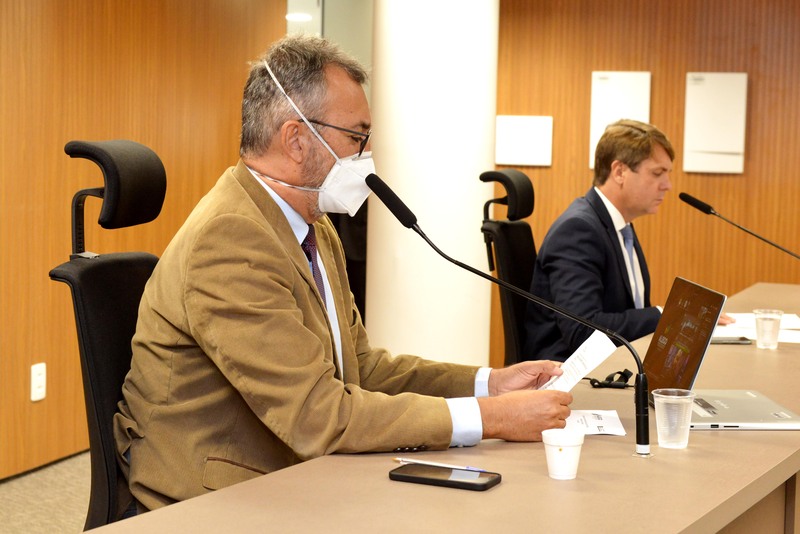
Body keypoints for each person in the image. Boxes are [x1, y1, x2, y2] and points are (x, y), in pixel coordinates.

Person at [113, 35, 572, 512]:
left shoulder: (312, 226)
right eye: (356, 137)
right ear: (296, 139)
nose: (365, 154)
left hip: (290, 463)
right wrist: (491, 417)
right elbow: (316, 416)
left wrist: (488, 384)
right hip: (212, 495)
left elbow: (362, 368)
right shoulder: (229, 238)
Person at [521, 119, 673, 361]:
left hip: (613, 365)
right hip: (570, 373)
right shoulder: (578, 229)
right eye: (657, 173)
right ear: (619, 172)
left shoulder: (620, 225)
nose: (667, 185)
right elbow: (584, 331)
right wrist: (663, 316)